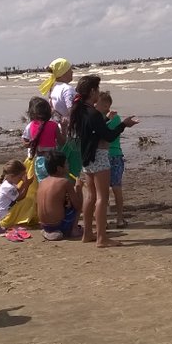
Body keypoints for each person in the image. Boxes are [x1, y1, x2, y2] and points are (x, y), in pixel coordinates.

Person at [69, 75, 138, 247]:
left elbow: (94, 130)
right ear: (92, 91)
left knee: (90, 196)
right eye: (97, 90)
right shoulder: (93, 113)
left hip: (86, 158)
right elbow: (108, 135)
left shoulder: (80, 111)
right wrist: (123, 125)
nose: (98, 93)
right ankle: (101, 238)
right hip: (98, 156)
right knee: (102, 197)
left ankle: (88, 234)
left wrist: (106, 119)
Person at [40, 58, 80, 178]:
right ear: (63, 73)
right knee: (74, 166)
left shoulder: (53, 88)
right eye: (70, 70)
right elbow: (72, 110)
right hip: (72, 133)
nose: (72, 72)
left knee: (62, 164)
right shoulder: (67, 89)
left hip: (59, 130)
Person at [98, 90, 128, 228]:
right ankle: (119, 218)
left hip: (108, 155)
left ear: (105, 106)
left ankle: (111, 219)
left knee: (105, 190)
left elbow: (104, 135)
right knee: (115, 188)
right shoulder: (114, 118)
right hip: (114, 155)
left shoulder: (103, 119)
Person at [36, 152, 83, 241]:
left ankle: (48, 232)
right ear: (59, 168)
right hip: (58, 224)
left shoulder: (42, 182)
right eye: (66, 164)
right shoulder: (65, 182)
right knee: (78, 200)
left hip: (44, 225)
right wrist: (78, 188)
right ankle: (74, 229)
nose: (68, 166)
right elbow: (77, 205)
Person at [0, 160, 30, 237]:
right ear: (12, 176)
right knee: (28, 201)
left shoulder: (8, 183)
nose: (21, 179)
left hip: (1, 215)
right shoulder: (8, 187)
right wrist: (26, 184)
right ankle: (13, 224)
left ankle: (12, 222)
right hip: (4, 217)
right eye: (20, 176)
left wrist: (24, 183)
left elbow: (17, 192)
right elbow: (20, 197)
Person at [23, 96, 61, 162]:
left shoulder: (30, 126)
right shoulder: (54, 125)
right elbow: (61, 142)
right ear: (49, 113)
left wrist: (30, 143)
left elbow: (25, 143)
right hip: (51, 159)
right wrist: (64, 127)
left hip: (36, 159)